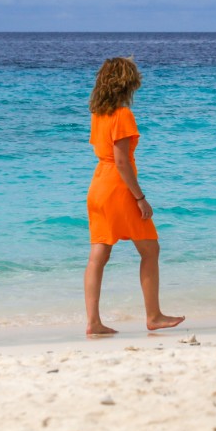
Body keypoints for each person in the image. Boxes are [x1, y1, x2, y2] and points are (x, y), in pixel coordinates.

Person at [84, 57, 184, 335]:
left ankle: (93, 323)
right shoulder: (122, 114)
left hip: (97, 186)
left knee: (98, 255)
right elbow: (122, 162)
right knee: (150, 250)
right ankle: (154, 316)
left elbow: (102, 152)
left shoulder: (97, 113)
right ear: (128, 82)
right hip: (118, 188)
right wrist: (140, 198)